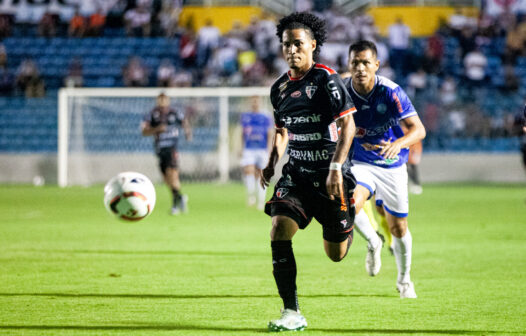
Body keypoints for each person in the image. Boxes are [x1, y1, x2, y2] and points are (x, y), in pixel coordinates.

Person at [260, 12, 357, 331]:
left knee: (336, 255)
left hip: (330, 178)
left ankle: (351, 213)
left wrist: (335, 167)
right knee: (278, 229)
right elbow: (281, 131)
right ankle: (292, 312)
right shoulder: (279, 89)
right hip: (297, 175)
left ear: (313, 45)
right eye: (286, 45)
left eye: (298, 44)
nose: (291, 50)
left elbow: (348, 125)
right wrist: (272, 162)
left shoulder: (327, 79)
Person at [343, 40, 426, 298]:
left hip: (392, 164)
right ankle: (372, 240)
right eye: (355, 62)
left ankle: (404, 281)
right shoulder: (342, 91)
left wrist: (399, 143)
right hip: (360, 162)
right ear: (349, 64)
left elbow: (419, 129)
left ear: (376, 65)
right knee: (347, 205)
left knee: (399, 227)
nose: (360, 68)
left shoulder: (391, 92)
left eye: (366, 62)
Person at [141, 93, 192, 215]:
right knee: (167, 179)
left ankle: (175, 206)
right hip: (160, 149)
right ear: (157, 100)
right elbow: (144, 131)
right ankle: (180, 197)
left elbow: (185, 122)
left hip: (171, 148)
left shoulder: (174, 113)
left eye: (165, 100)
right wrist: (157, 129)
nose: (163, 102)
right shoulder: (152, 114)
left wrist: (188, 133)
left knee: (173, 175)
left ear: (168, 101)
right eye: (160, 99)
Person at [240, 96, 272, 210]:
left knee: (261, 174)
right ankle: (251, 196)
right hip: (249, 149)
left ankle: (261, 201)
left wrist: (269, 149)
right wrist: (241, 147)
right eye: (253, 101)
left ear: (260, 103)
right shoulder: (246, 117)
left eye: (257, 101)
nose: (255, 103)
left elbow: (269, 133)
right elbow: (242, 133)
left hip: (262, 149)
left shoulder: (266, 116)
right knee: (249, 171)